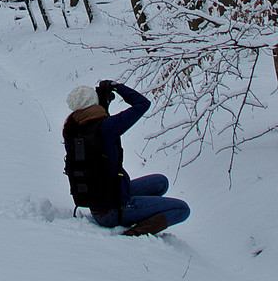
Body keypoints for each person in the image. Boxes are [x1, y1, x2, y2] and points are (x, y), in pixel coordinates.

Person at [63, 79, 190, 236]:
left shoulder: (72, 129)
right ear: (93, 104)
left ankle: (138, 211)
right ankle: (134, 232)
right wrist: (117, 87)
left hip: (101, 201)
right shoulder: (107, 127)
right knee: (182, 209)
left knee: (160, 182)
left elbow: (98, 135)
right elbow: (142, 104)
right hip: (114, 211)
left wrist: (103, 104)